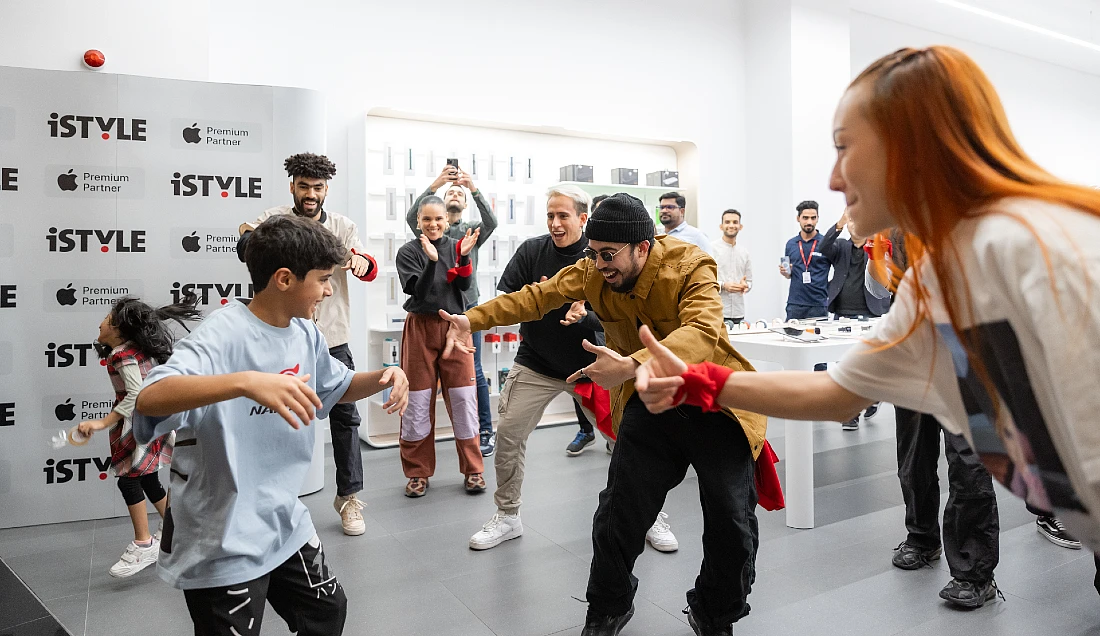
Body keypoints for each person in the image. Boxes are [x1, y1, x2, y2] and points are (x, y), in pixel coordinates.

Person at [633, 46, 1100, 610]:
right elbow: (837, 393)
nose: (832, 178)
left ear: (909, 145)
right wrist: (702, 384)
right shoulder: (938, 281)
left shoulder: (1045, 249)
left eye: (843, 148)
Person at [439, 193, 767, 636]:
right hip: (650, 404)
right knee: (618, 513)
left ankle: (714, 613)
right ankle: (607, 609)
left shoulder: (692, 265)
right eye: (593, 254)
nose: (598, 264)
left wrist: (631, 364)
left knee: (732, 523)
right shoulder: (595, 269)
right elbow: (538, 296)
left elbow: (703, 332)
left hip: (713, 403)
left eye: (608, 255)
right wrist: (472, 319)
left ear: (642, 247)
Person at [134, 214, 409, 636]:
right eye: (322, 279)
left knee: (327, 611)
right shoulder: (222, 333)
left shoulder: (306, 332)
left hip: (283, 520)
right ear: (284, 279)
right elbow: (151, 397)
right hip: (222, 534)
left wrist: (384, 375)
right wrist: (245, 383)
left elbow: (336, 386)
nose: (329, 289)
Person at [468, 186, 678, 556]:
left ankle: (652, 515)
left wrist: (585, 316)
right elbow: (517, 298)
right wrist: (469, 320)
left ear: (583, 219)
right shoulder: (533, 251)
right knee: (509, 434)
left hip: (596, 365)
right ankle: (507, 515)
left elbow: (615, 315)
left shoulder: (605, 260)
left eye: (562, 215)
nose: (555, 223)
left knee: (630, 442)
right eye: (550, 215)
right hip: (537, 362)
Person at [237, 152, 378, 537]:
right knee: (269, 416)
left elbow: (365, 262)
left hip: (331, 337)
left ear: (327, 188)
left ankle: (349, 498)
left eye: (318, 187)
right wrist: (259, 242)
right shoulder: (276, 218)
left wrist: (363, 263)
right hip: (282, 337)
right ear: (292, 187)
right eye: (304, 187)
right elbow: (245, 239)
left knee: (346, 417)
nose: (311, 194)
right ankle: (266, 499)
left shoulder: (343, 226)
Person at [77, 294, 201, 578]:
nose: (101, 321)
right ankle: (179, 525)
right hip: (148, 421)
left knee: (129, 481)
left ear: (119, 328)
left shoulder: (122, 355)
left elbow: (136, 393)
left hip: (136, 424)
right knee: (146, 478)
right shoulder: (134, 350)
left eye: (108, 318)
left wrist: (103, 422)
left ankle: (144, 543)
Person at [407, 164, 498, 457]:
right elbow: (412, 216)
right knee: (426, 381)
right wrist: (436, 184)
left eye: (460, 192)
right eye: (452, 191)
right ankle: (428, 442)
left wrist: (473, 187)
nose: (455, 193)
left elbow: (492, 221)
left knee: (476, 371)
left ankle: (485, 430)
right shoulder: (432, 230)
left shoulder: (471, 231)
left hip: (467, 307)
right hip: (432, 312)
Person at [397, 196, 485, 498]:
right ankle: (417, 473)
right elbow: (417, 290)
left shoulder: (457, 246)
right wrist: (432, 262)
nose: (433, 224)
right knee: (418, 401)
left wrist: (462, 259)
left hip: (456, 328)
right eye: (426, 219)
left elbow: (462, 288)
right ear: (418, 221)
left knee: (463, 399)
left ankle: (474, 469)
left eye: (438, 219)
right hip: (420, 327)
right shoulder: (408, 252)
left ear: (447, 220)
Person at [819, 207, 889, 430]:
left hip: (871, 313)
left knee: (871, 362)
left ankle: (872, 397)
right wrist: (838, 224)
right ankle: (850, 414)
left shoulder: (877, 246)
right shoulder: (840, 246)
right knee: (845, 364)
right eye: (851, 222)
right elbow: (823, 247)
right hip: (843, 313)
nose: (855, 225)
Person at [567, 193, 610, 456]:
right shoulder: (586, 255)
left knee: (612, 383)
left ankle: (612, 431)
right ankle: (587, 429)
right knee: (582, 379)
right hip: (588, 326)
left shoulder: (622, 254)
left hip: (610, 329)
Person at [779, 201, 833, 320]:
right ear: (798, 219)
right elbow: (788, 275)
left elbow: (840, 270)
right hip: (795, 304)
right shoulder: (791, 244)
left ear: (818, 219)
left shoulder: (825, 243)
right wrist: (786, 272)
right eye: (805, 218)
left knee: (817, 338)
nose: (809, 222)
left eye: (813, 218)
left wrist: (829, 288)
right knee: (791, 338)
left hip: (818, 304)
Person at [710, 209, 752, 329]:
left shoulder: (744, 252)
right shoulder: (712, 249)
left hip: (739, 312)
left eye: (735, 222)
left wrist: (746, 286)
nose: (731, 225)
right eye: (727, 222)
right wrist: (723, 285)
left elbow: (750, 282)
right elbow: (705, 281)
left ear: (740, 226)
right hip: (718, 312)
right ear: (721, 226)